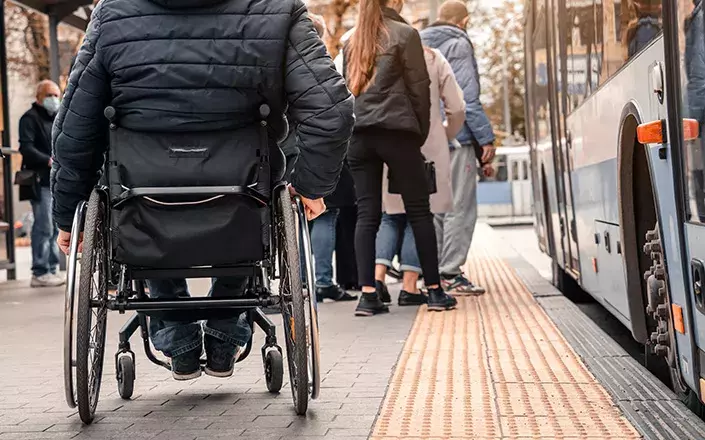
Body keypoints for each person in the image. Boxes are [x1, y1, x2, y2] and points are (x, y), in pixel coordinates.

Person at [52, 0, 354, 380]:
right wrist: (311, 185)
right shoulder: (277, 9)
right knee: (254, 203)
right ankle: (224, 335)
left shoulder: (114, 12)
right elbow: (332, 113)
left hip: (141, 191)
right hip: (244, 189)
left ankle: (178, 337)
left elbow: (75, 129)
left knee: (139, 213)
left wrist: (68, 213)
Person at [344, 0, 457, 316]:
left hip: (360, 137)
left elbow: (347, 92)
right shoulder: (405, 34)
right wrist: (417, 135)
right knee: (419, 212)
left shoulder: (352, 39)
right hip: (398, 133)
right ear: (393, 2)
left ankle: (368, 295)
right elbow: (420, 90)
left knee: (367, 214)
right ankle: (434, 291)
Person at [375, 46, 465, 306]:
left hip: (387, 144)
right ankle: (409, 286)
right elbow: (456, 107)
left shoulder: (378, 54)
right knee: (420, 214)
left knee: (391, 215)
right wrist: (445, 134)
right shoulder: (433, 57)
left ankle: (377, 280)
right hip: (426, 145)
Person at [421, 0, 496, 295]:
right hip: (455, 136)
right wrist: (485, 138)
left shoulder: (417, 42)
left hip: (424, 138)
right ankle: (450, 272)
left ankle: (436, 274)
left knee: (436, 207)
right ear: (463, 21)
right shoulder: (459, 44)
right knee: (459, 207)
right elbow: (465, 98)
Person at [19, 80, 65, 288]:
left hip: (56, 181)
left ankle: (52, 268)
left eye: (57, 95)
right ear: (39, 97)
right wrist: (48, 160)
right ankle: (40, 271)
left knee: (55, 228)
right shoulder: (29, 119)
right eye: (50, 95)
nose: (54, 100)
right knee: (43, 227)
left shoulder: (57, 118)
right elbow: (26, 147)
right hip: (40, 181)